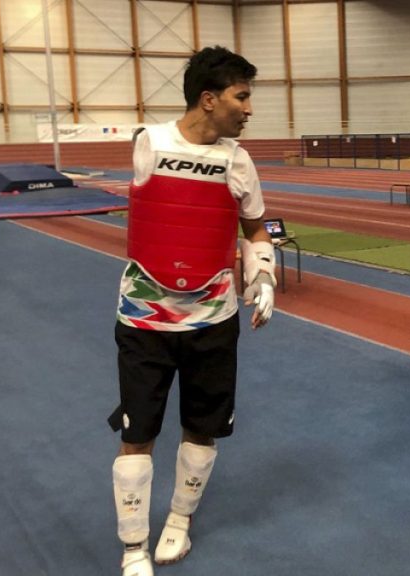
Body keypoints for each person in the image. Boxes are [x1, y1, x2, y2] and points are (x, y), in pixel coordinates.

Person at [107, 46, 277, 576]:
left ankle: (178, 521)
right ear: (209, 99)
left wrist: (265, 273)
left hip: (213, 319)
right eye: (241, 97)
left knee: (201, 429)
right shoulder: (149, 143)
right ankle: (133, 546)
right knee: (138, 434)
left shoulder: (239, 161)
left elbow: (255, 229)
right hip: (144, 319)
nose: (249, 109)